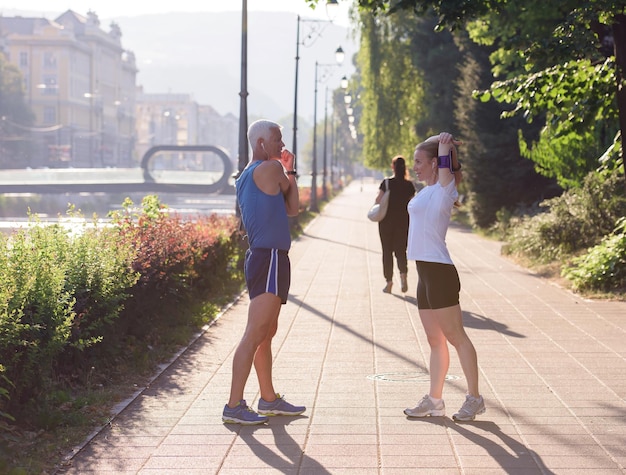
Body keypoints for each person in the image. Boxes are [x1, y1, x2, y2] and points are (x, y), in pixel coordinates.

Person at [222, 119, 305, 425]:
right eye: (277, 140)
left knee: (266, 333)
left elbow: (281, 209)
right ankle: (234, 405)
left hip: (263, 257)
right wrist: (290, 170)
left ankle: (268, 400)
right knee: (255, 333)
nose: (282, 146)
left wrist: (287, 172)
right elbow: (294, 207)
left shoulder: (244, 175)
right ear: (261, 143)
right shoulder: (271, 170)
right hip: (269, 258)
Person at [403, 132, 485, 422]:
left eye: (419, 161)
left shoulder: (445, 188)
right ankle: (434, 401)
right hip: (423, 273)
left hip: (440, 272)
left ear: (436, 164)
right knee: (434, 341)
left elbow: (446, 161)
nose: (415, 166)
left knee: (455, 337)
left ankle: (474, 398)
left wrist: (443, 143)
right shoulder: (425, 192)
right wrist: (436, 140)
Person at [374, 156, 416, 293]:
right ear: (405, 168)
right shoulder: (409, 185)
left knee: (387, 252)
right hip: (403, 222)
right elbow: (413, 204)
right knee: (401, 251)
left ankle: (389, 282)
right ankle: (403, 277)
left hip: (386, 222)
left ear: (393, 167)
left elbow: (378, 201)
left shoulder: (386, 183)